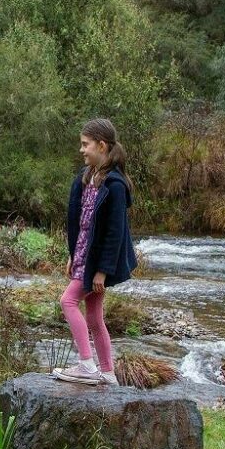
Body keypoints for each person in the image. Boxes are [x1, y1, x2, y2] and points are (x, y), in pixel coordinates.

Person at [55, 117, 139, 386]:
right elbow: (81, 224)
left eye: (85, 144)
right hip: (83, 257)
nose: (81, 150)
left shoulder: (114, 186)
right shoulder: (86, 179)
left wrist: (102, 271)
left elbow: (114, 234)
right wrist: (72, 254)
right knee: (93, 316)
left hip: (97, 264)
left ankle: (86, 365)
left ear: (101, 146)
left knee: (67, 301)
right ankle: (108, 372)